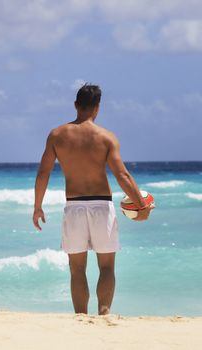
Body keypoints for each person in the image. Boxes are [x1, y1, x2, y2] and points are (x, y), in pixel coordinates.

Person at [33, 84, 154, 315]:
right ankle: (104, 313)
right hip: (102, 206)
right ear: (97, 108)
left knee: (77, 269)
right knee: (106, 266)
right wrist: (141, 204)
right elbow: (122, 175)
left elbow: (43, 173)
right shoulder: (106, 137)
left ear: (76, 105)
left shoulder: (57, 135)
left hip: (74, 206)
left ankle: (81, 317)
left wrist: (37, 206)